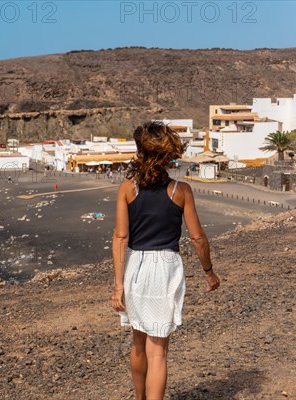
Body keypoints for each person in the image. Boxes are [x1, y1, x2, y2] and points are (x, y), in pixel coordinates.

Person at [111, 121, 220, 400]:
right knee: (157, 350)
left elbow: (120, 238)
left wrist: (117, 287)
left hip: (134, 266)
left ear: (140, 152)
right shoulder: (180, 191)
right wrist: (209, 273)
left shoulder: (127, 189)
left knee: (138, 342)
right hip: (165, 268)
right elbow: (198, 238)